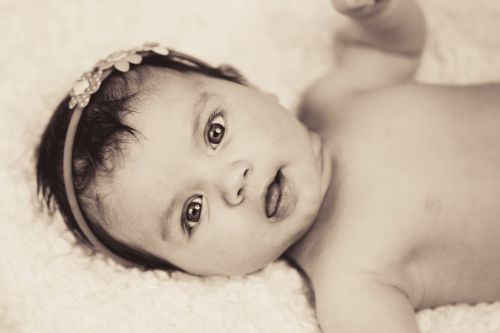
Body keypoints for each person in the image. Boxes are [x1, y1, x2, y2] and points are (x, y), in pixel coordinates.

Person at [35, 0, 500, 332]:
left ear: (249, 87)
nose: (230, 182)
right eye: (191, 212)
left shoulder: (335, 100)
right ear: (192, 273)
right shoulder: (349, 281)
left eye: (215, 132)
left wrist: (375, 13)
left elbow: (392, 50)